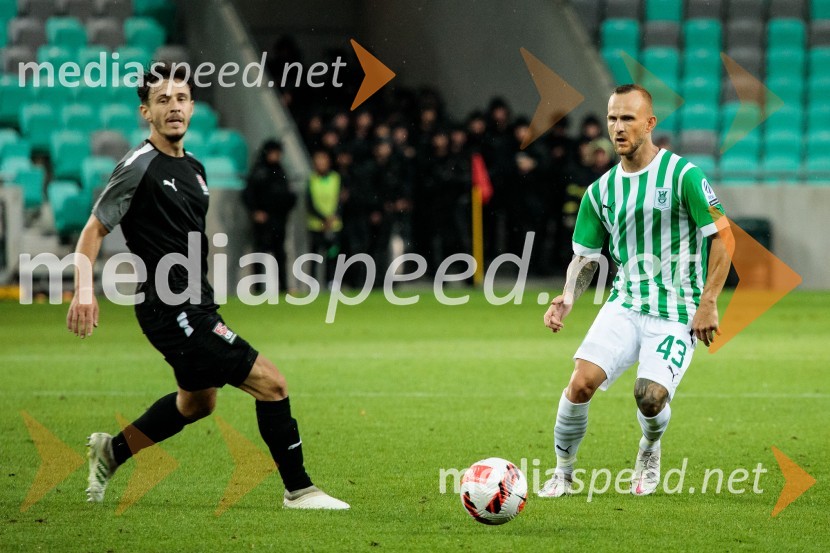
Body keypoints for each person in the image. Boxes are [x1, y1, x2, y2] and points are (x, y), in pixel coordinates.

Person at [66, 63, 349, 510]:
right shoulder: (137, 167)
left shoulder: (195, 169)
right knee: (272, 384)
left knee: (197, 404)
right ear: (147, 112)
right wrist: (84, 289)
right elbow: (93, 231)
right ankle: (300, 490)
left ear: (193, 107)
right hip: (169, 305)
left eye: (180, 99)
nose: (173, 108)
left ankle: (112, 450)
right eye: (162, 101)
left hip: (195, 302)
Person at [539, 84, 731, 498]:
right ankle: (563, 472)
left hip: (678, 309)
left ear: (649, 123)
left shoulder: (683, 176)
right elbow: (587, 256)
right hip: (625, 303)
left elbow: (723, 238)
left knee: (650, 397)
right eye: (612, 118)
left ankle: (650, 446)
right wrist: (569, 296)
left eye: (628, 118)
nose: (618, 127)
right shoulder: (600, 191)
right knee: (580, 383)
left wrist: (708, 303)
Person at [243, 139, 297, 292]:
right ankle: (258, 287)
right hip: (264, 221)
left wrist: (288, 206)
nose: (276, 156)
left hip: (279, 220)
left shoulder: (280, 170)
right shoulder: (258, 171)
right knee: (260, 253)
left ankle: (283, 286)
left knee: (280, 253)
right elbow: (248, 194)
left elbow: (287, 194)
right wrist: (255, 211)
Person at [306, 149, 342, 287]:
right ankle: (313, 284)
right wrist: (323, 218)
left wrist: (333, 216)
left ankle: (332, 282)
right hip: (316, 225)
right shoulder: (312, 179)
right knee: (315, 256)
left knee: (332, 255)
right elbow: (310, 203)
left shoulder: (336, 178)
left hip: (334, 224)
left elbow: (340, 200)